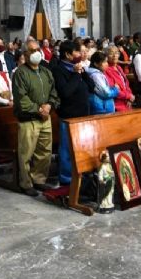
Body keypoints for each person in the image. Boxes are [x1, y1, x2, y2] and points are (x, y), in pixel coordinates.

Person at [11, 40, 59, 196]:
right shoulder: (20, 73)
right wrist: (39, 109)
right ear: (25, 54)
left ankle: (39, 179)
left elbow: (54, 91)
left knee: (44, 151)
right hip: (29, 118)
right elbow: (21, 98)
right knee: (26, 153)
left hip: (45, 117)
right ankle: (25, 183)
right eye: (32, 50)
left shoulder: (46, 72)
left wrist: (49, 105)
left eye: (37, 49)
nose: (36, 52)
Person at [52, 40, 93, 186]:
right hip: (69, 115)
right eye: (77, 52)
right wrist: (76, 74)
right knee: (67, 149)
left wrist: (83, 73)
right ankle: (66, 178)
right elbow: (65, 92)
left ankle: (82, 174)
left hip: (83, 114)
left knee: (82, 147)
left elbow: (92, 87)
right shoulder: (59, 70)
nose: (80, 55)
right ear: (68, 54)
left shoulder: (78, 68)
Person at [105, 46, 134, 112]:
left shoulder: (119, 67)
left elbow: (126, 84)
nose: (115, 55)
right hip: (117, 105)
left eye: (116, 53)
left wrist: (130, 96)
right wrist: (128, 96)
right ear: (106, 56)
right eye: (111, 53)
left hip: (127, 102)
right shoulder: (106, 69)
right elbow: (113, 89)